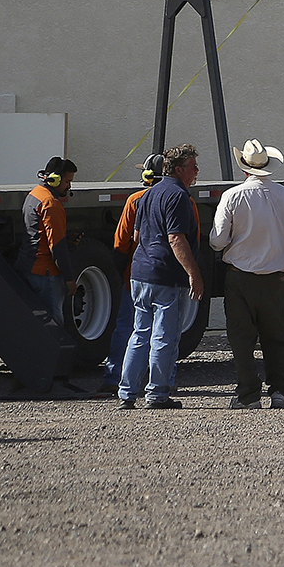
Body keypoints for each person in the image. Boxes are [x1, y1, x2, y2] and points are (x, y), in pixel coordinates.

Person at [210, 139, 284, 410]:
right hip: (276, 277)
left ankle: (248, 394)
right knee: (277, 336)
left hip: (241, 276)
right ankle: (279, 391)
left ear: (244, 168)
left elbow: (217, 241)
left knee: (241, 338)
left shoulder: (233, 196)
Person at [118, 143, 205, 409]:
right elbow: (176, 238)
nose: (197, 171)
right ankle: (157, 393)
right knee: (164, 337)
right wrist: (194, 274)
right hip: (166, 275)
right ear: (179, 170)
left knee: (139, 334)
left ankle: (127, 393)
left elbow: (135, 236)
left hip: (140, 272)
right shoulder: (179, 197)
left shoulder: (147, 195)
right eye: (193, 167)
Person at [96, 154, 167, 398]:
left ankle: (115, 377)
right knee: (164, 331)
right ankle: (161, 381)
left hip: (135, 276)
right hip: (167, 277)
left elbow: (121, 242)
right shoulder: (178, 199)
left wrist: (123, 271)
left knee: (129, 329)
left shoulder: (135, 200)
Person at [18, 157, 77, 327]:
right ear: (55, 179)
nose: (69, 186)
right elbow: (57, 247)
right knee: (53, 327)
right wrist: (69, 280)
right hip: (45, 273)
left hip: (29, 267)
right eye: (67, 181)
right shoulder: (51, 203)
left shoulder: (34, 194)